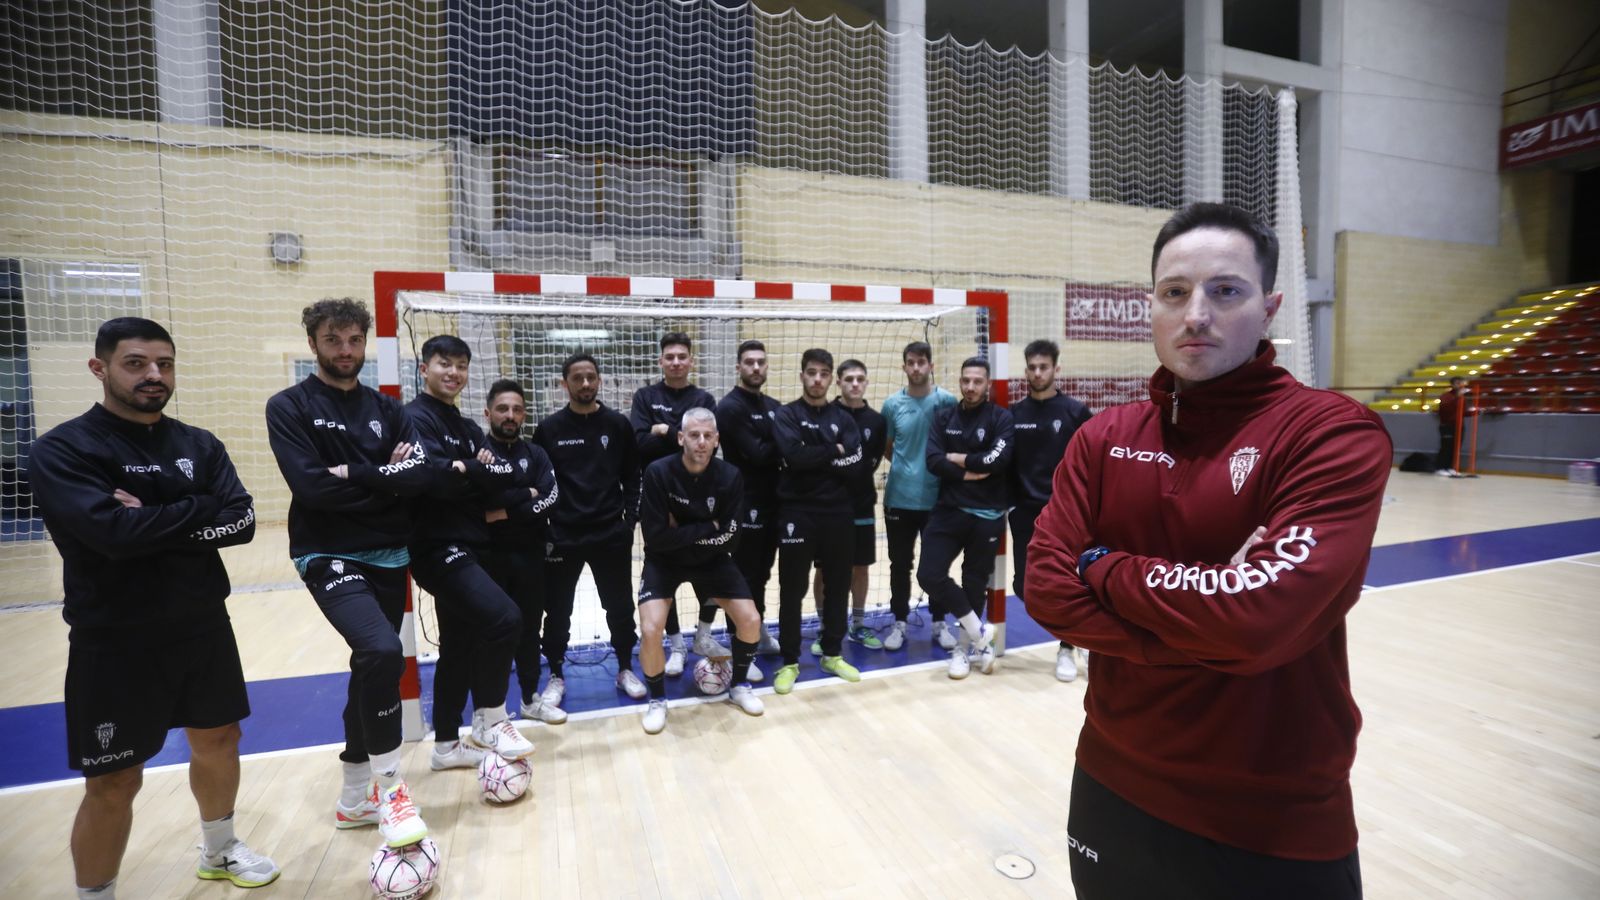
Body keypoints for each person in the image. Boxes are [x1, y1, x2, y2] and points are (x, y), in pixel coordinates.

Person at [1023, 202, 1389, 898]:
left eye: (1226, 290)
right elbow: (1045, 588)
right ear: (1151, 307)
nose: (1197, 314)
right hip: (1111, 785)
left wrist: (1104, 565)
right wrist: (1211, 617)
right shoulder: (1103, 439)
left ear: (1270, 306)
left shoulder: (1331, 435)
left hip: (1271, 820)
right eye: (1175, 292)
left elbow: (1258, 620)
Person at [32, 317, 279, 899]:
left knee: (219, 740)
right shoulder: (62, 449)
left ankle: (219, 850)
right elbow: (110, 535)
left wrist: (148, 517)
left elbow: (241, 521)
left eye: (164, 364)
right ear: (100, 368)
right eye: (136, 363)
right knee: (114, 780)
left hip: (201, 627)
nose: (153, 375)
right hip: (113, 639)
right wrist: (197, 508)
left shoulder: (199, 444)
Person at [266, 298, 433, 849]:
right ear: (314, 343)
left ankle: (352, 794)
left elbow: (419, 479)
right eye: (334, 339)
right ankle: (389, 788)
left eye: (354, 340)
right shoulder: (288, 406)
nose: (345, 350)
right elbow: (311, 488)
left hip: (388, 552)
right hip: (327, 551)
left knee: (371, 665)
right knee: (383, 651)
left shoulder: (387, 408)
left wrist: (361, 476)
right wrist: (386, 480)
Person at [402, 336, 534, 770]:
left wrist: (469, 469)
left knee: (458, 647)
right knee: (506, 617)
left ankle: (444, 746)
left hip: (470, 544)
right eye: (444, 364)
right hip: (438, 547)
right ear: (425, 369)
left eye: (461, 365)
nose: (453, 373)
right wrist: (471, 470)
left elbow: (497, 478)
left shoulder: (465, 426)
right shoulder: (413, 419)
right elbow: (434, 481)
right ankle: (492, 718)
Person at [635, 408, 767, 733]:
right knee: (651, 629)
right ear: (681, 438)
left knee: (750, 621)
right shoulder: (657, 473)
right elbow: (654, 537)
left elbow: (731, 538)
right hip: (663, 562)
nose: (701, 442)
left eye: (708, 436)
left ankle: (737, 687)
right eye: (694, 435)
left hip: (712, 561)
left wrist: (681, 533)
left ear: (717, 440)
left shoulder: (730, 476)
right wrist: (708, 526)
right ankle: (657, 701)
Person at [534, 353, 646, 705]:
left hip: (610, 533)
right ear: (564, 383)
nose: (585, 384)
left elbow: (633, 476)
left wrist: (629, 522)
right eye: (577, 378)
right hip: (563, 535)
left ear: (599, 381)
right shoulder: (549, 428)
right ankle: (555, 673)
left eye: (591, 377)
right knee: (558, 609)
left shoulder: (617, 425)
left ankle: (626, 667)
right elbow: (538, 480)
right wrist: (547, 526)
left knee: (619, 606)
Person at [771, 349, 865, 694]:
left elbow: (856, 462)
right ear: (802, 376)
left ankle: (832, 653)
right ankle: (790, 661)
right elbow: (792, 456)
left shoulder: (844, 418)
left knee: (838, 585)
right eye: (812, 373)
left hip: (838, 513)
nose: (818, 379)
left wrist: (815, 456)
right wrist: (833, 451)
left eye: (824, 373)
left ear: (831, 379)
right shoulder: (787, 414)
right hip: (797, 512)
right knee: (792, 589)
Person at [628, 332, 718, 675]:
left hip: (699, 500)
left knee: (709, 571)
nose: (677, 362)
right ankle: (677, 644)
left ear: (691, 361)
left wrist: (663, 431)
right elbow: (639, 445)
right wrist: (674, 438)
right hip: (660, 500)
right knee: (666, 573)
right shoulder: (645, 396)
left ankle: (705, 635)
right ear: (661, 361)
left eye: (683, 356)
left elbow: (708, 449)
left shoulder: (704, 398)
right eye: (670, 356)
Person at [480, 379, 566, 724]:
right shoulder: (479, 452)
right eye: (503, 409)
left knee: (530, 628)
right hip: (489, 559)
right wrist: (525, 494)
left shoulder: (536, 454)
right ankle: (488, 710)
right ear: (488, 413)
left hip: (531, 557)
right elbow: (481, 502)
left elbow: (551, 498)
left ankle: (531, 698)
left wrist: (507, 511)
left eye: (517, 409)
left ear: (525, 414)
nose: (510, 415)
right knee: (492, 632)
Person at [919, 357, 1012, 679]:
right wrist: (970, 474)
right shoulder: (943, 417)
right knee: (929, 575)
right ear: (960, 382)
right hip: (948, 511)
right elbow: (932, 460)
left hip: (987, 516)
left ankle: (963, 648)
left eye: (977, 381)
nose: (970, 387)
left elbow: (997, 460)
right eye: (966, 380)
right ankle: (979, 633)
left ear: (987, 384)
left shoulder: (1001, 418)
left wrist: (959, 459)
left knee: (975, 581)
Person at [1007, 339, 1094, 682]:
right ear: (1026, 369)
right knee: (1023, 586)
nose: (1037, 373)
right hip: (1024, 513)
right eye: (1032, 367)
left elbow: (1092, 462)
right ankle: (1074, 633)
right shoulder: (1014, 415)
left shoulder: (1075, 412)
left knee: (1066, 582)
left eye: (1044, 367)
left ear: (1057, 370)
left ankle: (1067, 647)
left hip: (1063, 514)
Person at [879, 341, 957, 651]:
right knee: (900, 565)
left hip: (938, 499)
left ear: (931, 365)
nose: (916, 368)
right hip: (899, 499)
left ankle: (940, 622)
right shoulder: (891, 405)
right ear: (904, 366)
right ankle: (899, 622)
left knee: (936, 565)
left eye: (921, 362)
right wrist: (907, 468)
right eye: (910, 362)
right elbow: (888, 447)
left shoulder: (947, 401)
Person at [714, 339, 784, 656]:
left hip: (774, 501)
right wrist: (785, 447)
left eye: (761, 362)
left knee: (763, 574)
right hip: (744, 504)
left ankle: (756, 629)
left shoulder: (773, 406)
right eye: (750, 362)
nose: (756, 367)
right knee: (742, 576)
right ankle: (741, 644)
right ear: (738, 367)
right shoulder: (729, 407)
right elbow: (756, 454)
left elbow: (783, 449)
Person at [811, 359, 887, 651]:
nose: (855, 384)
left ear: (866, 383)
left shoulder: (877, 421)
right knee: (824, 568)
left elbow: (873, 460)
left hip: (862, 504)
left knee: (861, 566)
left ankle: (857, 625)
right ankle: (822, 626)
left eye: (860, 379)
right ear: (838, 383)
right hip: (828, 505)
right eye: (849, 379)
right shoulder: (824, 414)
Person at [1434, 376, 1476, 477]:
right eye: (1458, 383)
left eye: (1461, 383)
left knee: (1456, 448)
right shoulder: (1446, 396)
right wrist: (1457, 397)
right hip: (1447, 426)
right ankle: (1440, 468)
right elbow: (1445, 409)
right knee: (1446, 447)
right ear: (1452, 384)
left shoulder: (1462, 398)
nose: (1460, 385)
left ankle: (1450, 467)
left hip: (1459, 426)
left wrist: (1476, 412)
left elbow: (1464, 412)